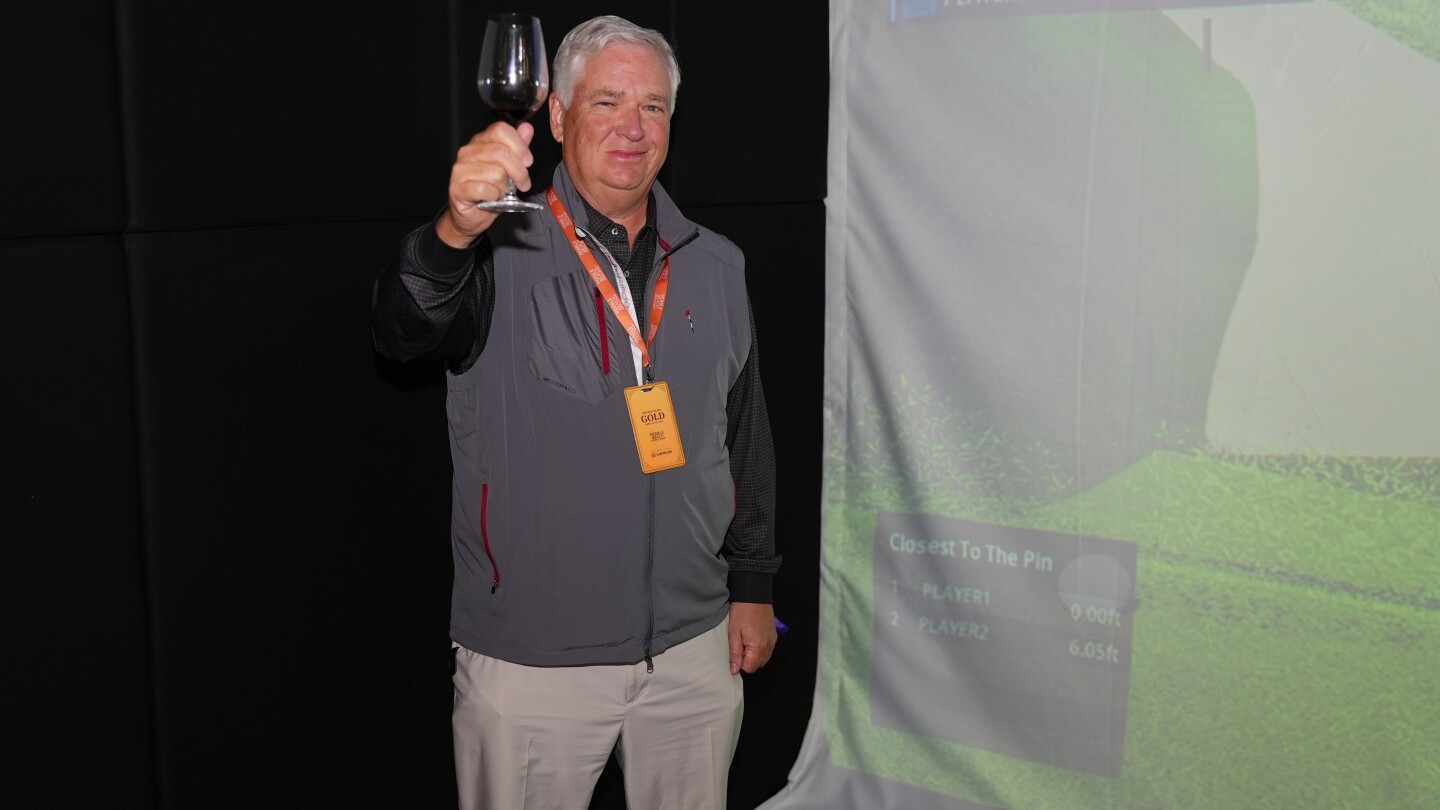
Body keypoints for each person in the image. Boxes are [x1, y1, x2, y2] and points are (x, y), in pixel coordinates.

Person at [371, 14, 780, 809]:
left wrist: (755, 586)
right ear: (556, 116)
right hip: (533, 666)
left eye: (654, 107)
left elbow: (745, 435)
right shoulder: (491, 251)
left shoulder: (717, 264)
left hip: (694, 653)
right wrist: (454, 230)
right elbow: (398, 330)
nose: (633, 127)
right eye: (607, 102)